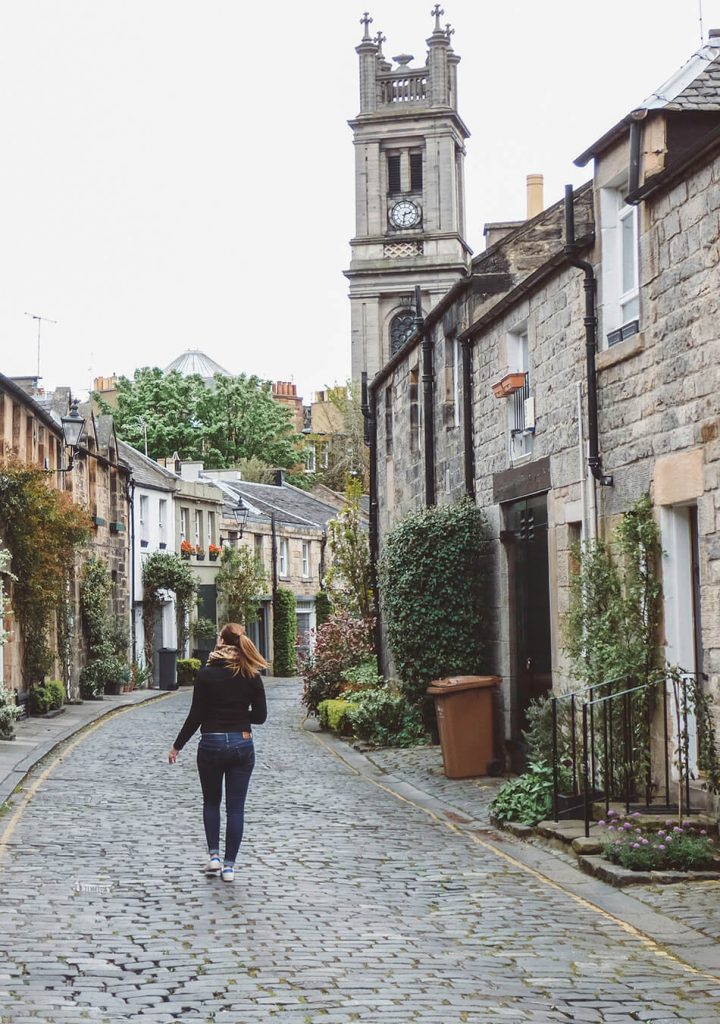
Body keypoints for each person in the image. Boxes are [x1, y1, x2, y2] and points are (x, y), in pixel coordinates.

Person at [168, 622, 267, 882]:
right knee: (236, 809)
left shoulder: (206, 674)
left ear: (222, 642)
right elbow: (260, 717)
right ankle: (230, 867)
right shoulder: (252, 674)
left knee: (211, 802)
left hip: (210, 743)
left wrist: (178, 745)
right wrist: (237, 713)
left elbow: (195, 716)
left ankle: (213, 857)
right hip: (242, 744)